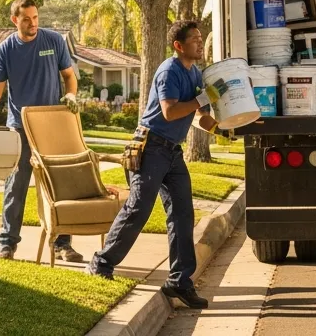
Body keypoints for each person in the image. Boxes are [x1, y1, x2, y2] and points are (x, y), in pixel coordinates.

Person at [86, 20, 217, 310]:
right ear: (178, 46)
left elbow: (201, 117)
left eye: (200, 38)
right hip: (151, 148)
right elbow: (170, 112)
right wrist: (201, 99)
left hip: (173, 152)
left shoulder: (195, 73)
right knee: (139, 208)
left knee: (183, 213)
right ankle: (102, 262)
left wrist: (231, 124)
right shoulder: (168, 71)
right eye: (194, 39)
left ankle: (180, 282)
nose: (199, 42)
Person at [0, 0, 82, 262]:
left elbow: (69, 76)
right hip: (20, 127)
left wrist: (72, 96)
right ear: (14, 20)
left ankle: (63, 244)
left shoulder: (53, 41)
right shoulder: (5, 50)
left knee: (58, 186)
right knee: (15, 186)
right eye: (26, 18)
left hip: (52, 125)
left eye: (35, 17)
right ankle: (8, 245)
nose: (32, 23)